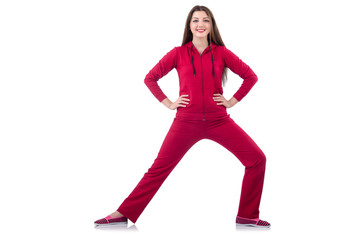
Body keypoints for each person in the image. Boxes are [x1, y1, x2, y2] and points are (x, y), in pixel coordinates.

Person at [94, 5, 270, 228]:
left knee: (257, 159)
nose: (200, 24)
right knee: (158, 169)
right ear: (189, 25)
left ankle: (247, 215)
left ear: (211, 25)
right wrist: (169, 103)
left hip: (219, 120)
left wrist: (231, 101)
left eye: (205, 20)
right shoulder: (178, 53)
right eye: (196, 20)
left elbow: (250, 76)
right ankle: (123, 212)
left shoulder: (222, 53)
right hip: (186, 121)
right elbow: (150, 78)